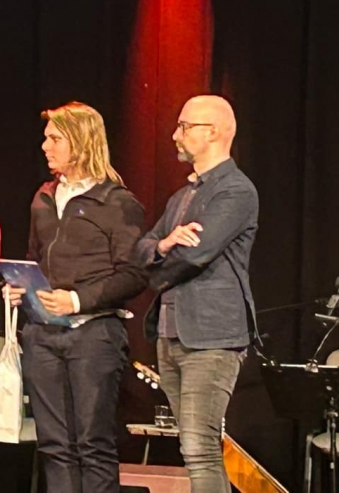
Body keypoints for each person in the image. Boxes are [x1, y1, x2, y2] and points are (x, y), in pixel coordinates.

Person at [6, 103, 148, 493]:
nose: (45, 146)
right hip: (43, 336)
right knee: (54, 447)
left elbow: (135, 274)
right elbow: (35, 258)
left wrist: (77, 300)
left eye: (55, 138)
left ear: (82, 142)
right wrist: (21, 287)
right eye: (46, 138)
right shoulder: (43, 197)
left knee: (92, 444)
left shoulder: (117, 203)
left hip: (93, 336)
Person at [133, 95, 257, 493]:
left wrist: (159, 265)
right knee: (193, 448)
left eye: (185, 126)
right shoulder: (181, 197)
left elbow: (196, 254)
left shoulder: (235, 191)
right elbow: (142, 247)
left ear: (214, 132)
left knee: (200, 448)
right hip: (171, 335)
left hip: (211, 337)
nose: (176, 135)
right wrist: (163, 244)